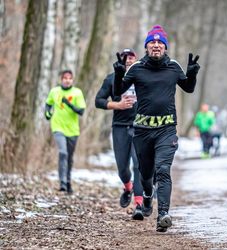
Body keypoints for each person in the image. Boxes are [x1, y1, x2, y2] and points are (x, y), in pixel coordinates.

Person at [113, 25, 200, 232]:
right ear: (146, 47)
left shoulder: (173, 67)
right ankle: (147, 196)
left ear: (165, 47)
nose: (156, 45)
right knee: (146, 174)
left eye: (160, 43)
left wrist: (191, 74)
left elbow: (188, 88)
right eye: (152, 42)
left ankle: (163, 214)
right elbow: (118, 92)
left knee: (163, 170)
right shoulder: (136, 68)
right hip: (142, 130)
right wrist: (118, 74)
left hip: (167, 129)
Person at [95, 48, 144, 220]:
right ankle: (128, 187)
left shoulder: (142, 77)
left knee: (138, 165)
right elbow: (98, 101)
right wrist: (118, 105)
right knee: (123, 168)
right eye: (125, 58)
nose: (128, 60)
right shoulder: (111, 79)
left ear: (136, 60)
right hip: (120, 127)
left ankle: (139, 204)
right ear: (121, 61)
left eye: (131, 57)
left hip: (140, 127)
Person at [45, 70, 86, 194]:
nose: (67, 80)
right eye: (65, 78)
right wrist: (47, 113)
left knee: (69, 157)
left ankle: (68, 182)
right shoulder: (54, 91)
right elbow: (48, 104)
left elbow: (81, 111)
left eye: (69, 78)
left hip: (73, 130)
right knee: (63, 153)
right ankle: (62, 182)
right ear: (61, 79)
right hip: (57, 127)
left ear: (72, 80)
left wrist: (68, 104)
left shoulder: (77, 93)